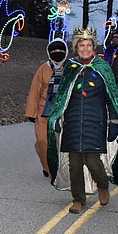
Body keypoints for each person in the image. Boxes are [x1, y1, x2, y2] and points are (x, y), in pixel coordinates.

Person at [45, 27, 118, 214]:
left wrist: (114, 122)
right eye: (81, 45)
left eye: (88, 45)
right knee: (74, 163)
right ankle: (78, 199)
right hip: (73, 123)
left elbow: (111, 97)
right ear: (76, 47)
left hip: (95, 122)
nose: (84, 48)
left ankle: (103, 185)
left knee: (92, 161)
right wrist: (57, 117)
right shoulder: (70, 68)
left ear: (93, 47)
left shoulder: (102, 68)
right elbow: (62, 97)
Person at [25, 38, 70, 178]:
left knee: (62, 143)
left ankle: (63, 168)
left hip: (64, 112)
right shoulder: (43, 69)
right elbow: (34, 91)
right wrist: (31, 112)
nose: (57, 54)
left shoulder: (71, 68)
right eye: (54, 51)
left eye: (60, 51)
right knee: (42, 141)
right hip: (43, 111)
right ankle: (48, 167)